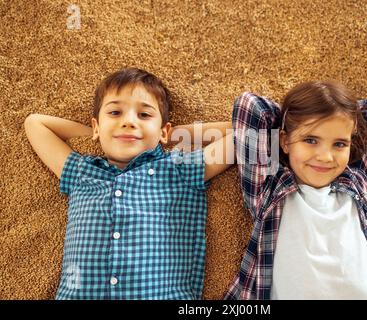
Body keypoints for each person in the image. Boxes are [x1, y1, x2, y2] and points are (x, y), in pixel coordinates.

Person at [24, 67, 233, 299]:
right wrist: (100, 133)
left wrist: (170, 135)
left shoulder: (179, 169)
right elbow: (35, 124)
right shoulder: (81, 172)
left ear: (164, 130)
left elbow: (244, 133)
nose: (129, 122)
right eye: (115, 113)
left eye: (144, 115)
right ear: (96, 126)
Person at [225, 81, 367, 300]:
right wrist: (292, 119)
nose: (326, 157)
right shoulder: (268, 188)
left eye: (339, 144)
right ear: (283, 140)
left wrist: (338, 114)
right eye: (310, 140)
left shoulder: (358, 180)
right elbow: (251, 107)